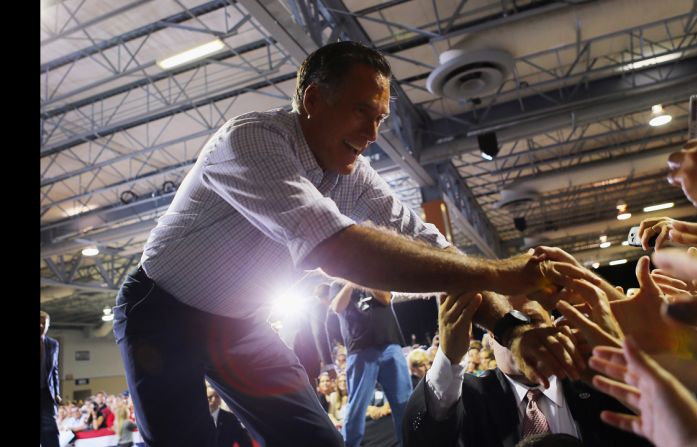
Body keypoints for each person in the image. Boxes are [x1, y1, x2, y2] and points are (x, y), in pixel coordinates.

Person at [113, 40, 594, 446]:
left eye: (381, 118)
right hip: (162, 312)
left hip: (241, 324)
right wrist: (495, 272)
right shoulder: (252, 141)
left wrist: (510, 328)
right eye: (362, 111)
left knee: (319, 442)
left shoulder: (354, 176)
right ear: (313, 100)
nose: (372, 133)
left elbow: (428, 243)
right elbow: (336, 248)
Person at [403, 293, 651, 447]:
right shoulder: (468, 396)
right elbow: (422, 435)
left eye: (533, 320)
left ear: (555, 326)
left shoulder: (598, 384)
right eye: (507, 327)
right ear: (490, 337)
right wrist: (449, 357)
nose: (523, 336)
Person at [330, 282, 411, 447]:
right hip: (360, 350)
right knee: (357, 407)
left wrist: (365, 278)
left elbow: (385, 298)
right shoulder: (338, 283)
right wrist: (352, 280)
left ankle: (411, 442)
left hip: (390, 344)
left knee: (404, 402)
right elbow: (337, 307)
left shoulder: (375, 275)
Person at [41, 311, 62, 447]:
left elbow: (54, 370)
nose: (41, 325)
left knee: (50, 430)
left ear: (48, 325)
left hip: (46, 393)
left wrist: (57, 393)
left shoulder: (53, 344)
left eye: (44, 322)